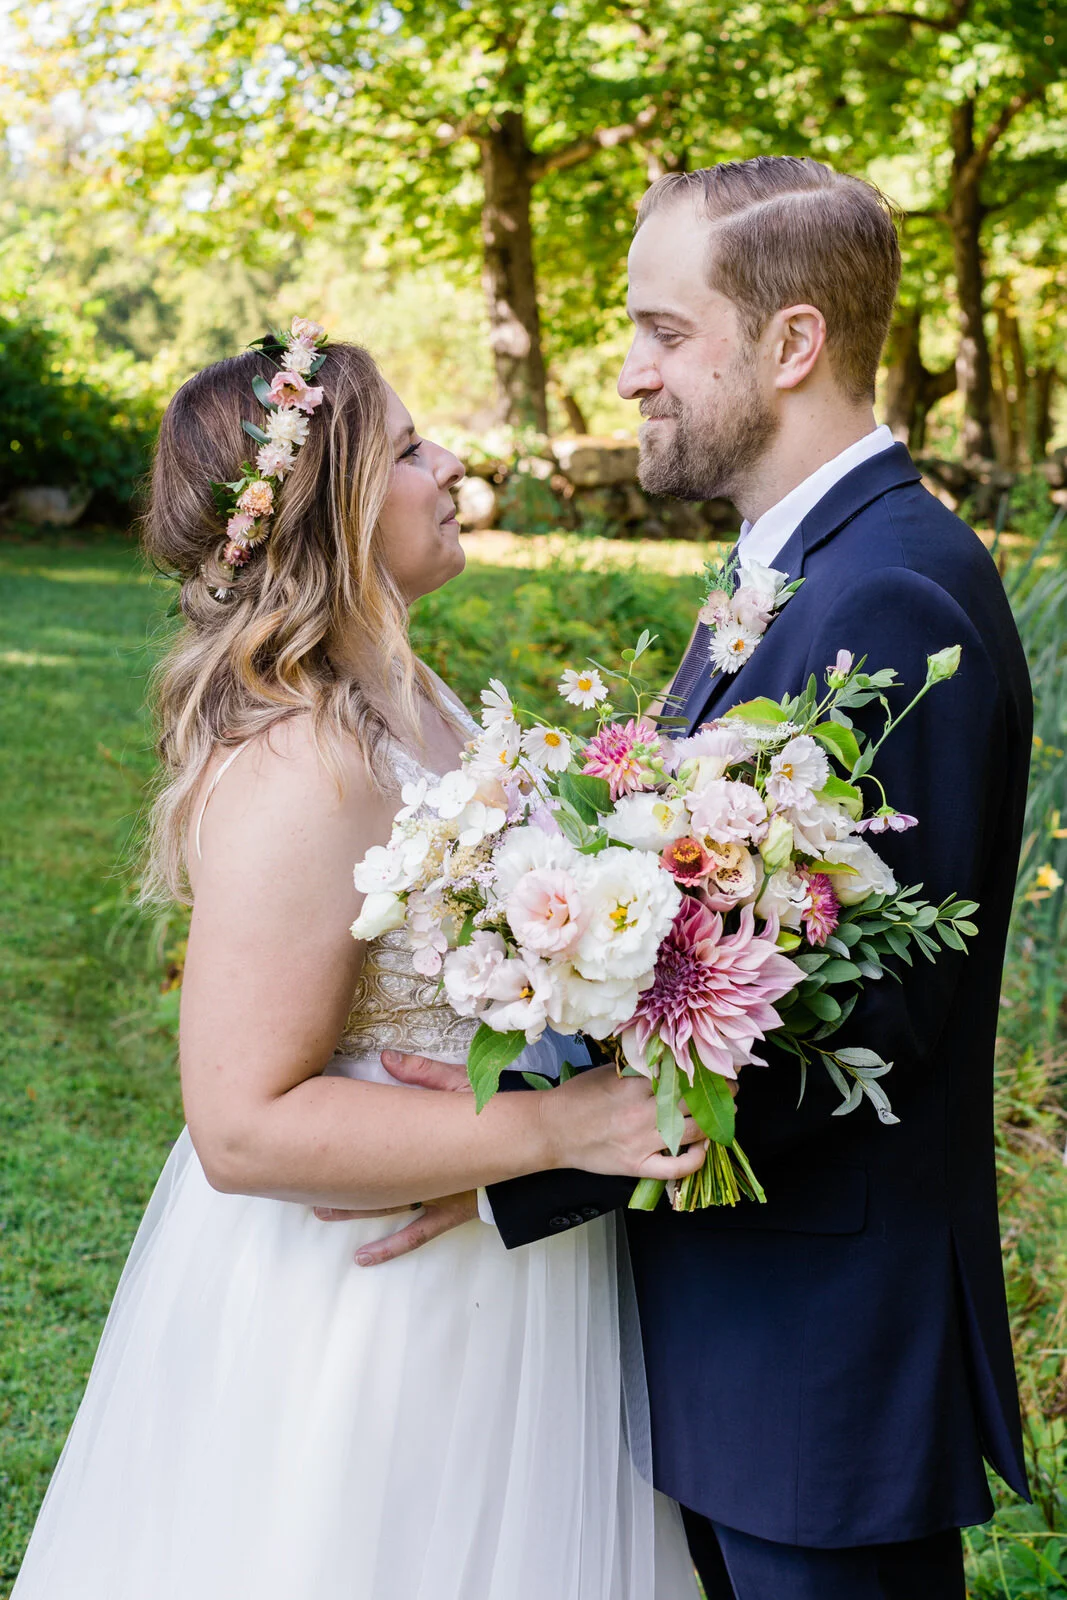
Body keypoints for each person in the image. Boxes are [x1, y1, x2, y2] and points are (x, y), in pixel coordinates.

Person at [365, 158, 1034, 1600]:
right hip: (743, 1347)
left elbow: (854, 1021)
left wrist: (519, 1168)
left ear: (789, 344)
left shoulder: (886, 595)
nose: (627, 375)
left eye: (661, 332)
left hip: (816, 1371)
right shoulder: (792, 568)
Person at [11, 332, 704, 1600]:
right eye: (408, 446)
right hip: (375, 1320)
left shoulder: (413, 692)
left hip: (498, 1256)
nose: (449, 466)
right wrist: (556, 1127)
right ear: (334, 500)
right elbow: (241, 1126)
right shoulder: (304, 762)